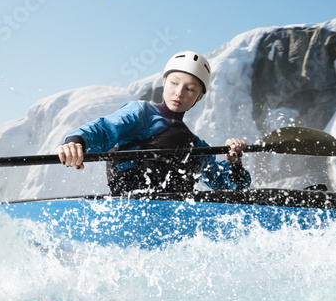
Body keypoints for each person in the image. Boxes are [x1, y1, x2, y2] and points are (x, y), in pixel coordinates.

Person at [55, 51, 251, 196]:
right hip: (130, 207)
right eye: (174, 83)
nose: (179, 92)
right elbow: (104, 128)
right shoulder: (141, 114)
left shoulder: (196, 145)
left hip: (172, 218)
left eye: (190, 89)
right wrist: (76, 141)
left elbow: (231, 188)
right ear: (164, 82)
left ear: (199, 97)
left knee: (184, 141)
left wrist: (234, 164)